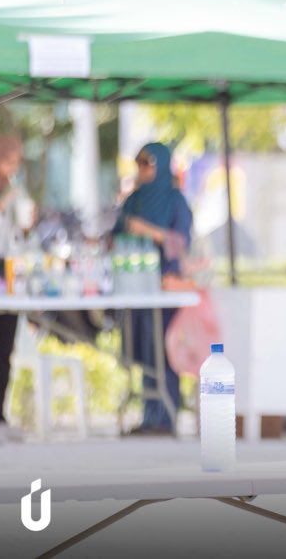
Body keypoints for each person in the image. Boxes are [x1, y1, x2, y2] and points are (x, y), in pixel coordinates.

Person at [115, 142, 193, 435]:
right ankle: (149, 415)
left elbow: (181, 243)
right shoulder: (134, 200)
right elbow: (116, 234)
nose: (143, 171)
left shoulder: (175, 201)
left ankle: (167, 416)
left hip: (167, 287)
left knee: (165, 349)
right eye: (139, 165)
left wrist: (147, 231)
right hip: (135, 286)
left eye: (147, 164)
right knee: (144, 350)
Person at [0, 133, 30, 443]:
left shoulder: (13, 192)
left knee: (2, 351)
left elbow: (14, 236)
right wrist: (1, 205)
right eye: (7, 160)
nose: (11, 167)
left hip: (9, 275)